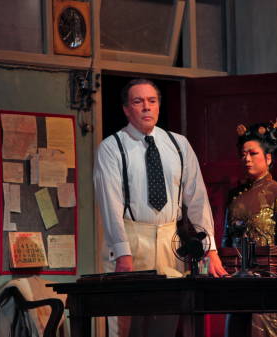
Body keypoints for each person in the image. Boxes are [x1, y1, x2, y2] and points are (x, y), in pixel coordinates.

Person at [93, 78, 227, 337]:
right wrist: (123, 253)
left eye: (152, 101)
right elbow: (110, 204)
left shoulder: (178, 144)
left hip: (169, 238)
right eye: (138, 101)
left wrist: (210, 249)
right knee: (126, 325)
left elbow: (197, 200)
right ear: (126, 109)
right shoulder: (113, 146)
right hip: (132, 236)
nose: (146, 107)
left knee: (164, 322)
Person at [222, 121, 277, 337]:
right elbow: (225, 239)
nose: (246, 159)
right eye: (243, 154)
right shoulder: (235, 196)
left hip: (271, 284)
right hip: (238, 282)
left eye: (253, 153)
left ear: (268, 157)